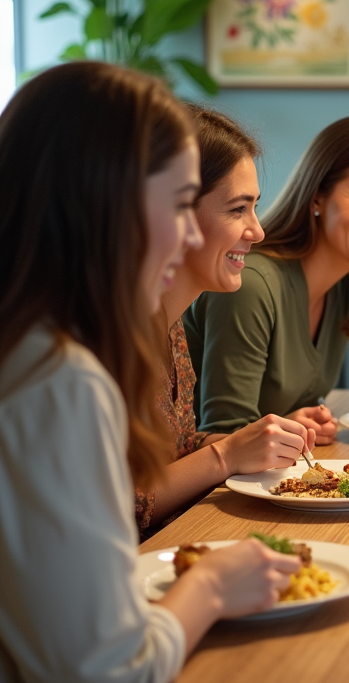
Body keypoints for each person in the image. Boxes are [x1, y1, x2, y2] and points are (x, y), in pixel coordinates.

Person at [0, 62, 301, 682]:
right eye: (177, 202)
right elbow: (108, 670)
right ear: (102, 204)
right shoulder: (63, 380)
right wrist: (213, 586)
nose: (187, 232)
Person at [185, 116, 349, 438]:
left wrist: (294, 423)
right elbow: (224, 435)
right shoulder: (252, 284)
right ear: (317, 196)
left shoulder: (346, 283)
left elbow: (267, 424)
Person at [136, 107, 315, 537]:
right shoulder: (106, 338)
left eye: (254, 208)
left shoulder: (169, 322)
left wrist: (253, 440)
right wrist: (227, 454)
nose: (257, 231)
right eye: (238, 209)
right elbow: (121, 506)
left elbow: (171, 456)